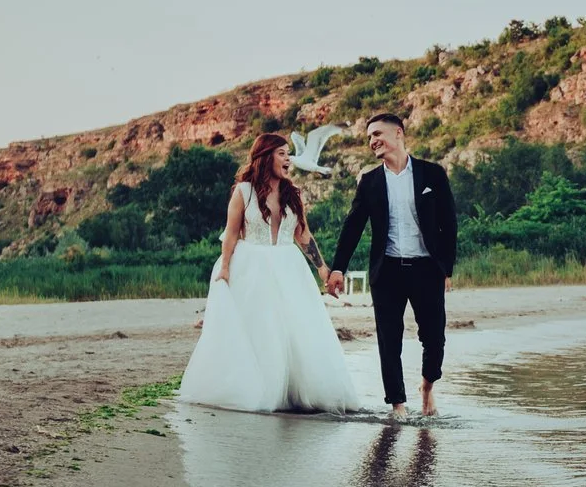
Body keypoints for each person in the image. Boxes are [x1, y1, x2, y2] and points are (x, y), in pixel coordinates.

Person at [179, 133, 363, 413]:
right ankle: (261, 389)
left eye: (288, 153)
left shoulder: (294, 193)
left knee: (295, 329)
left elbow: (303, 235)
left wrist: (323, 268)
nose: (288, 159)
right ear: (265, 157)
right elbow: (230, 233)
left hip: (289, 266)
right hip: (251, 266)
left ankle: (293, 391)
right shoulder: (243, 191)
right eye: (281, 153)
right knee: (261, 330)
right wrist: (226, 267)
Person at [328, 111, 458, 421]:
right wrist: (338, 268)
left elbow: (449, 224)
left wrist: (446, 270)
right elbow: (353, 226)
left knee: (435, 338)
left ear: (398, 133)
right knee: (389, 339)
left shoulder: (432, 174)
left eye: (377, 133)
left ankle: (427, 387)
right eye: (369, 136)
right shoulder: (370, 181)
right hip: (387, 272)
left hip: (427, 268)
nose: (372, 140)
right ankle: (397, 405)